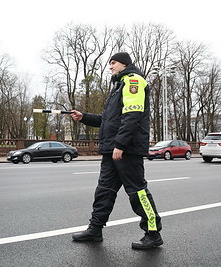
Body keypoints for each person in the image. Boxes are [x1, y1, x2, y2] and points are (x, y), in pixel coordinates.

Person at [70, 52, 163, 249]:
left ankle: (153, 233)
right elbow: (106, 119)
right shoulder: (118, 86)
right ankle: (95, 229)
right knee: (104, 190)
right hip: (112, 150)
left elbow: (133, 115)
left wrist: (120, 144)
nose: (110, 67)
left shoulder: (133, 81)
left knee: (138, 192)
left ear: (124, 64)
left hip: (126, 149)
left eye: (113, 63)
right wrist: (83, 117)